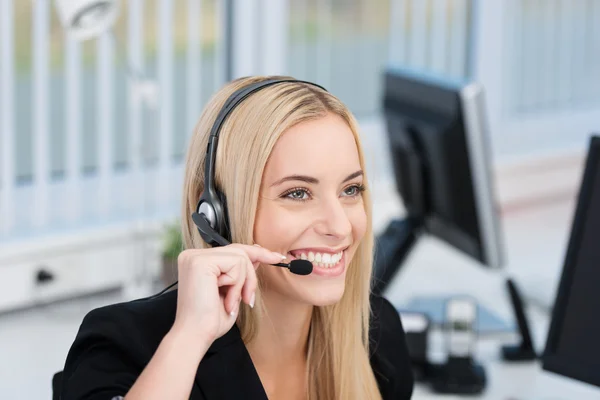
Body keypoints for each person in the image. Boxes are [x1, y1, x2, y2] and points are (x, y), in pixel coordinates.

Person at [60, 76, 414, 400]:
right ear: (215, 212)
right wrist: (189, 338)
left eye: (350, 189)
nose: (339, 227)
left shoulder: (377, 338)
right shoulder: (123, 345)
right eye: (297, 193)